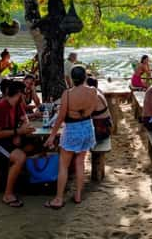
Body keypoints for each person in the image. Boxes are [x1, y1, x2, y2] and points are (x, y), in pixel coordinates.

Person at [44, 66, 100, 208]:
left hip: (72, 129)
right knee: (80, 162)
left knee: (64, 165)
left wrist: (52, 136)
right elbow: (93, 108)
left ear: (71, 79)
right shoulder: (93, 91)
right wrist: (82, 113)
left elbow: (61, 117)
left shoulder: (67, 94)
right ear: (85, 77)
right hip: (87, 127)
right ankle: (78, 195)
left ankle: (58, 198)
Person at [0, 80, 35, 207]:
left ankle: (21, 181)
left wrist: (18, 133)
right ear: (18, 94)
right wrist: (17, 131)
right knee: (20, 157)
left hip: (8, 139)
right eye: (23, 94)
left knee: (33, 146)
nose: (24, 97)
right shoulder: (1, 107)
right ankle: (8, 194)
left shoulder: (17, 105)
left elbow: (25, 120)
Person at [87, 77, 113, 141]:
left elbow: (87, 112)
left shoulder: (94, 95)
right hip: (107, 125)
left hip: (102, 131)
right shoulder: (98, 90)